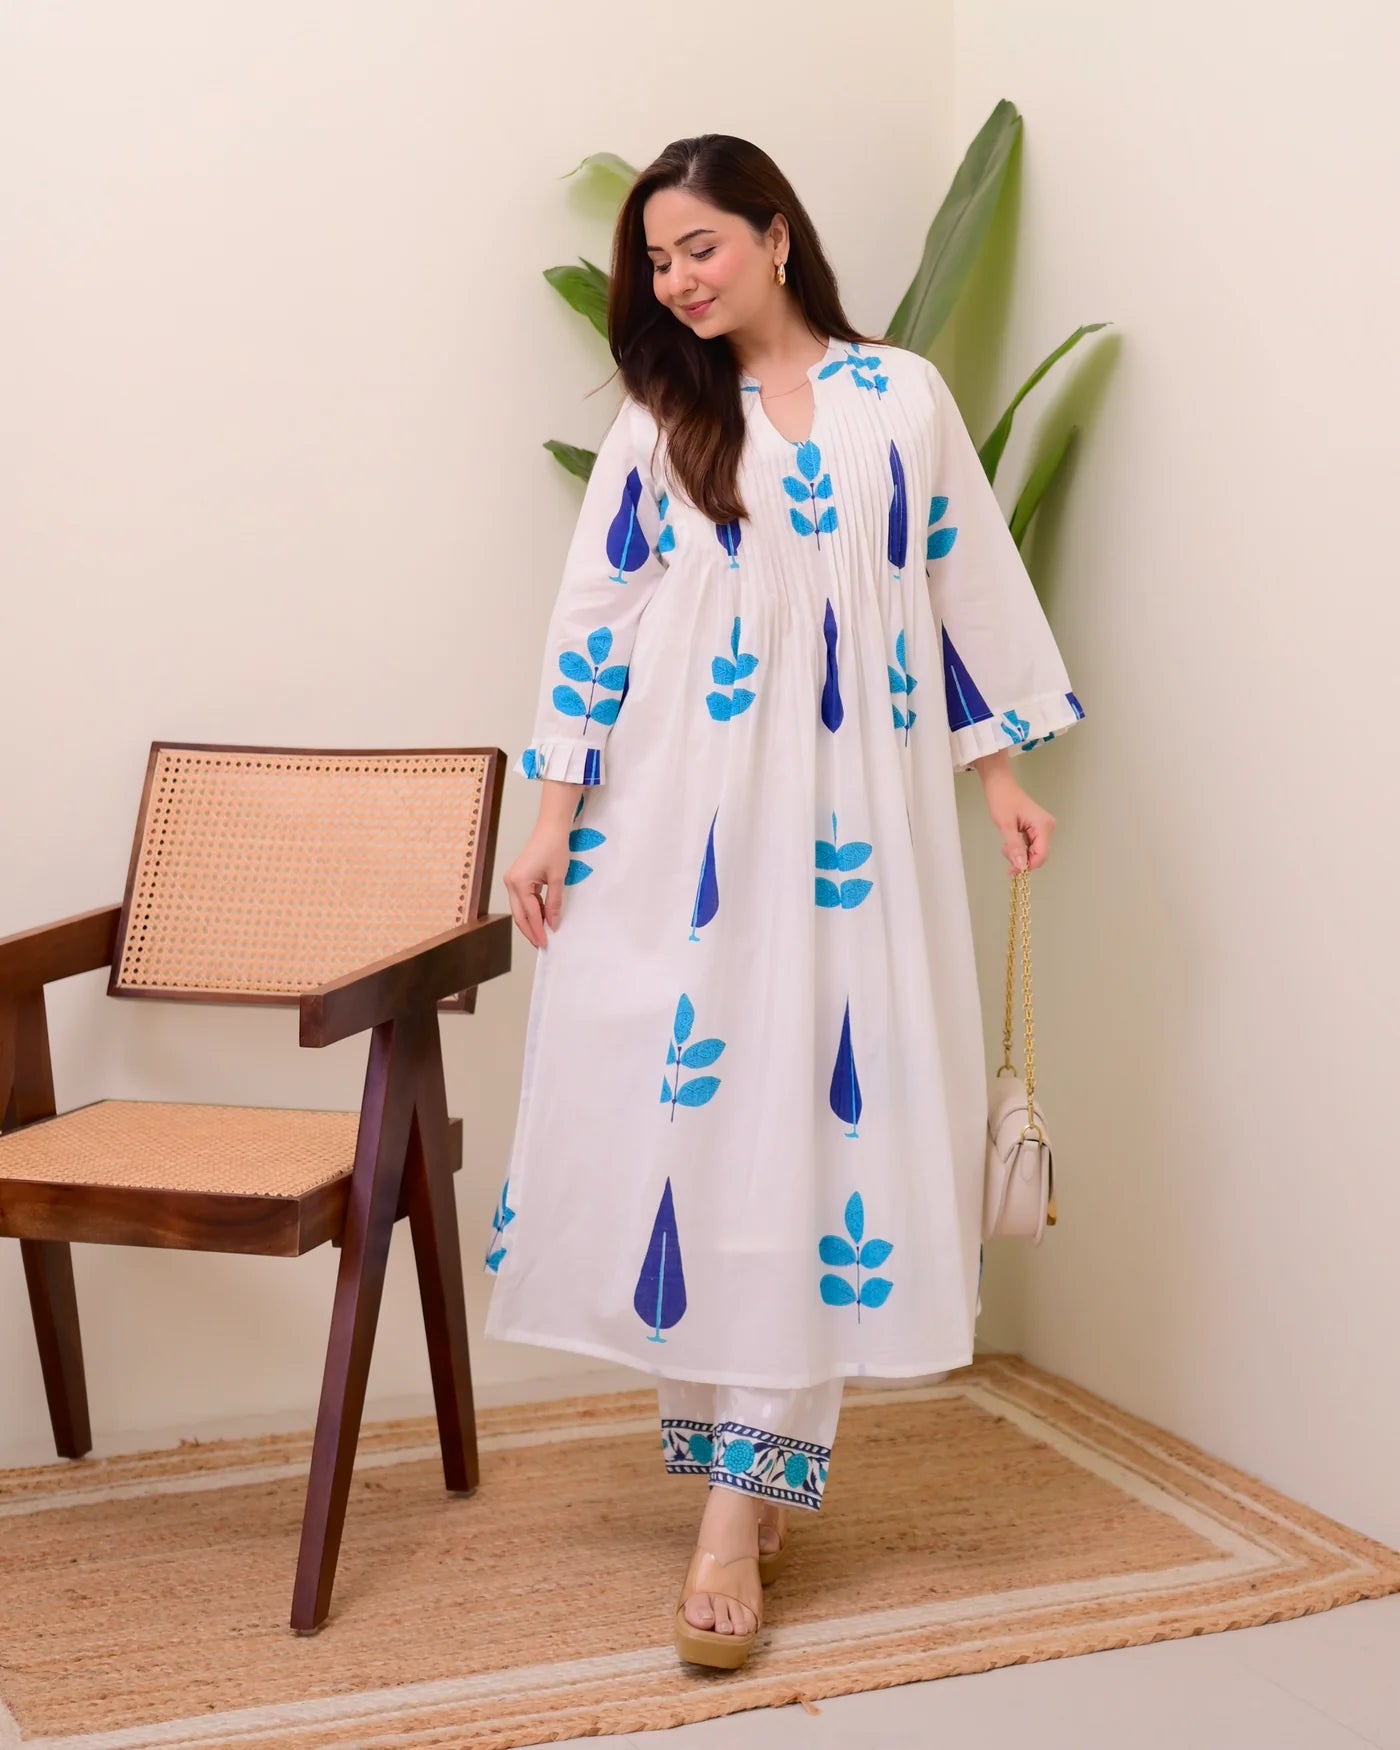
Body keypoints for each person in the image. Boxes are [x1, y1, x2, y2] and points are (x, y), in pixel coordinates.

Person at [483, 134, 1084, 1670]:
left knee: (829, 1135)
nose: (678, 279)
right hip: (680, 821)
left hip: (861, 833)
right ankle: (742, 1481)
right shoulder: (661, 416)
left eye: (699, 246)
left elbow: (961, 580)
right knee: (705, 1135)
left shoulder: (903, 400)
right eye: (657, 261)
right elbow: (596, 620)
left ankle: (733, 1509)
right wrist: (549, 821)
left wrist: (1002, 775)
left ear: (774, 235)